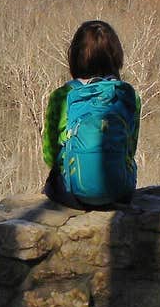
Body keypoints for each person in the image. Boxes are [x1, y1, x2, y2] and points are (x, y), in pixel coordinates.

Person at [42, 20, 140, 208]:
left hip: (73, 194)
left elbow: (49, 155)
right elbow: (130, 149)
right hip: (119, 192)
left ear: (75, 56)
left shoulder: (62, 96)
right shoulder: (127, 95)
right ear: (116, 56)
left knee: (52, 181)